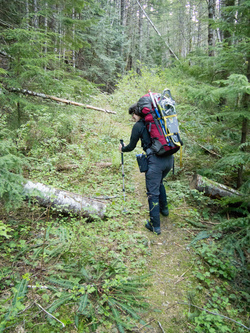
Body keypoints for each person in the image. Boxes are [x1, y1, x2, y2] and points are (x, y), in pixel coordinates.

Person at [119, 102, 174, 235]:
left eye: (132, 115)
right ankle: (164, 209)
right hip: (169, 158)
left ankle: (155, 226)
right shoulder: (158, 121)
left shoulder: (138, 126)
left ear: (136, 113)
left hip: (155, 162)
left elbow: (131, 146)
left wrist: (123, 148)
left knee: (152, 193)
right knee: (159, 183)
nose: (132, 118)